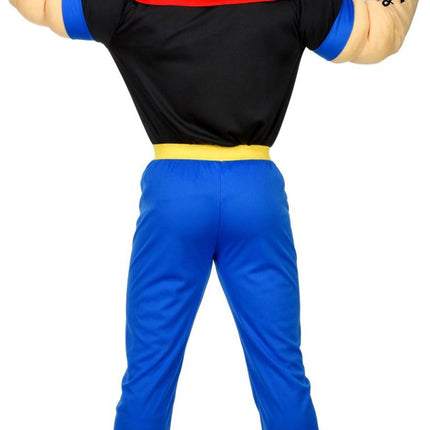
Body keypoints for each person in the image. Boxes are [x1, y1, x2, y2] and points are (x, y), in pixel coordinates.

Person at [9, 0, 419, 429]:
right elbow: (378, 34)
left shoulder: (126, 6)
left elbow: (42, 5)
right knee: (282, 372)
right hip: (255, 193)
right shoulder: (296, 3)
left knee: (148, 373)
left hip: (174, 198)